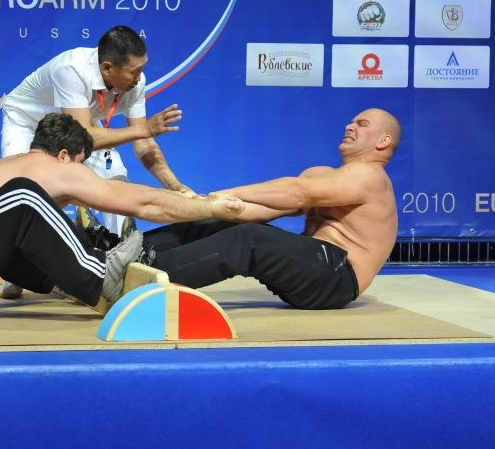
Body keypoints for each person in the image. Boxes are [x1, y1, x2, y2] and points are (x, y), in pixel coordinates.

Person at [0, 114, 244, 309]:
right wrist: (207, 207)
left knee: (36, 211)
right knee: (26, 195)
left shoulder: (7, 166)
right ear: (65, 155)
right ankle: (100, 271)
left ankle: (67, 275)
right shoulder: (47, 169)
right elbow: (142, 202)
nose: (82, 174)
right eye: (83, 164)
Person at [0, 25, 194, 298]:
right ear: (107, 68)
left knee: (116, 182)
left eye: (142, 68)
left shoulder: (135, 82)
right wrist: (145, 129)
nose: (140, 77)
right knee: (23, 191)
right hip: (28, 123)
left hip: (81, 126)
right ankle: (17, 271)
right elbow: (85, 134)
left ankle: (116, 266)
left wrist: (176, 186)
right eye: (134, 71)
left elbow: (143, 142)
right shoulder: (71, 69)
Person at [137, 108, 401, 310]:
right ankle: (132, 252)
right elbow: (264, 210)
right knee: (222, 224)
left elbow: (296, 193)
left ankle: (145, 279)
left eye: (361, 124)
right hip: (312, 266)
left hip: (337, 278)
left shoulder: (371, 177)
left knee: (250, 238)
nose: (349, 126)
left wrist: (231, 193)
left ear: (383, 140)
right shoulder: (323, 175)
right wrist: (211, 207)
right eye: (352, 121)